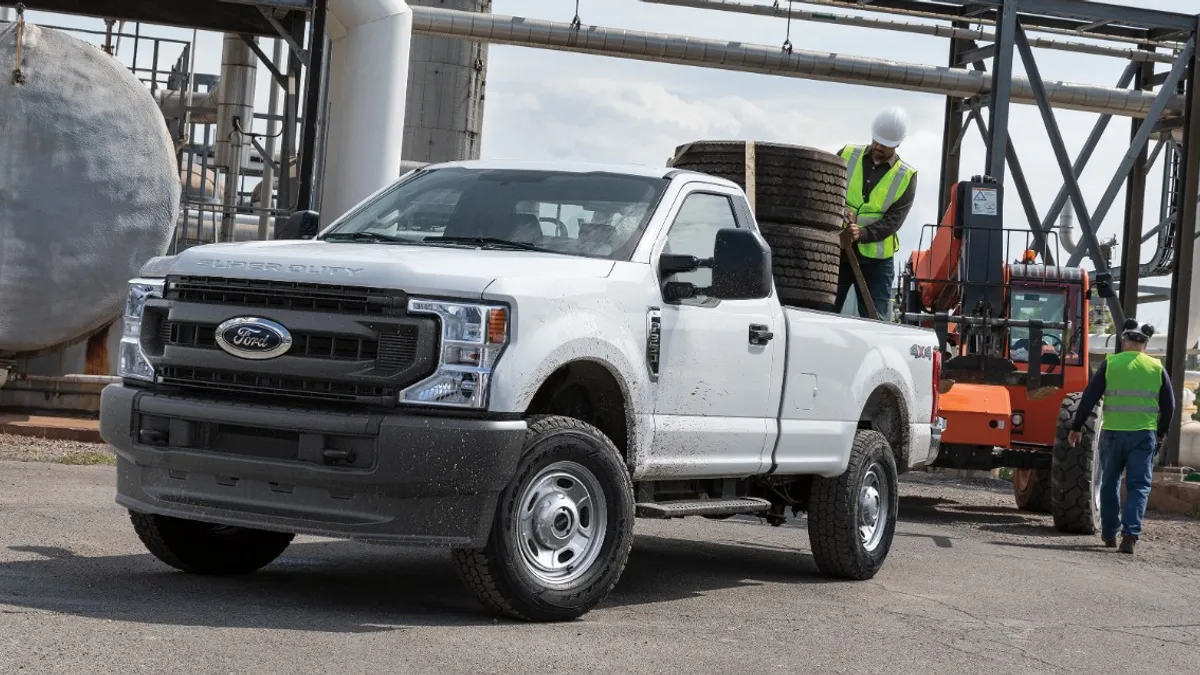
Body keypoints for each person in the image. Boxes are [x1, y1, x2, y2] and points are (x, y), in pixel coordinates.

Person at [1068, 319, 1175, 554]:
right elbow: (1170, 406)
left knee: (1109, 483)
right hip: (1143, 435)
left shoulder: (1111, 364)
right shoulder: (1157, 368)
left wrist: (1076, 427)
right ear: (1146, 344)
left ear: (1123, 340)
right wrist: (1161, 434)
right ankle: (1130, 534)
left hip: (1113, 434)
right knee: (1139, 486)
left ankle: (1109, 533)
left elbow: (1089, 398)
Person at [834, 107, 918, 320]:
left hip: (877, 264)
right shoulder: (847, 154)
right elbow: (827, 188)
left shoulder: (906, 176)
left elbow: (893, 221)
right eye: (876, 141)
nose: (878, 147)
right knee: (823, 312)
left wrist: (861, 234)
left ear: (897, 144)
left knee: (875, 321)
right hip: (838, 252)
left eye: (885, 145)